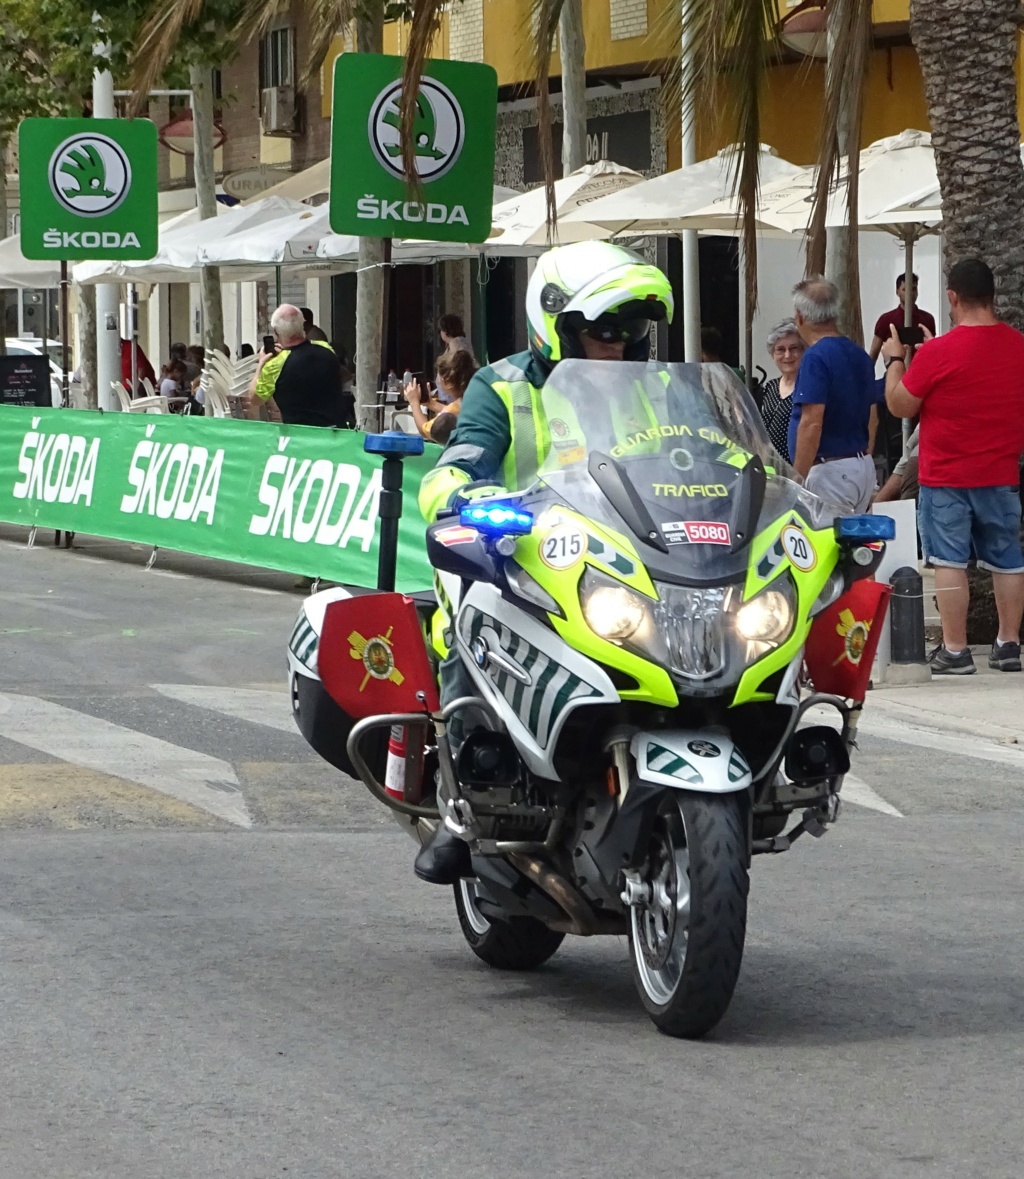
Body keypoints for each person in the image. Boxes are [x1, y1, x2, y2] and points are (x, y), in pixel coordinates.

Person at [414, 240, 674, 885]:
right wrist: (468, 496)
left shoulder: (655, 389)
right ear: (556, 323)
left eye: (633, 329)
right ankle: (460, 807)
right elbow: (459, 464)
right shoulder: (500, 387)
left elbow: (708, 455)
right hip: (525, 558)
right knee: (470, 630)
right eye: (605, 329)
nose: (620, 343)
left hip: (632, 560)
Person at [883, 257, 1024, 675]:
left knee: (949, 561)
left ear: (952, 297)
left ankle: (956, 650)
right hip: (1001, 472)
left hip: (945, 475)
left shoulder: (939, 352)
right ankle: (1009, 643)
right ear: (992, 296)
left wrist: (896, 361)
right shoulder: (1018, 346)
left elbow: (898, 404)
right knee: (1008, 559)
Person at [788, 276, 879, 512]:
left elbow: (811, 423)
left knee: (824, 545)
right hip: (861, 466)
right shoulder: (859, 354)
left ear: (799, 315)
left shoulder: (815, 357)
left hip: (830, 471)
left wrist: (797, 480)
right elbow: (872, 415)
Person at [245, 303, 349, 428]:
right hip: (334, 430)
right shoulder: (326, 348)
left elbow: (255, 399)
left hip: (298, 434)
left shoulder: (275, 365)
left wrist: (261, 365)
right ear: (303, 325)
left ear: (277, 332)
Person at [402, 349, 477, 443]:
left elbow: (425, 430)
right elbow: (454, 412)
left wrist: (414, 402)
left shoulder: (455, 407)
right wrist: (431, 403)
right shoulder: (474, 398)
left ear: (447, 381)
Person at [759, 320, 804, 462]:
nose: (787, 355)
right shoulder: (770, 387)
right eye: (780, 349)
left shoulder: (808, 388)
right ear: (772, 354)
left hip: (796, 471)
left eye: (794, 348)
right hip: (769, 470)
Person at [869, 272, 937, 364]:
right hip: (894, 373)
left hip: (920, 372)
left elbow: (932, 350)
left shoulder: (927, 319)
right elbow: (873, 355)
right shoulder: (886, 320)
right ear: (897, 292)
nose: (910, 293)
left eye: (913, 289)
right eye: (905, 289)